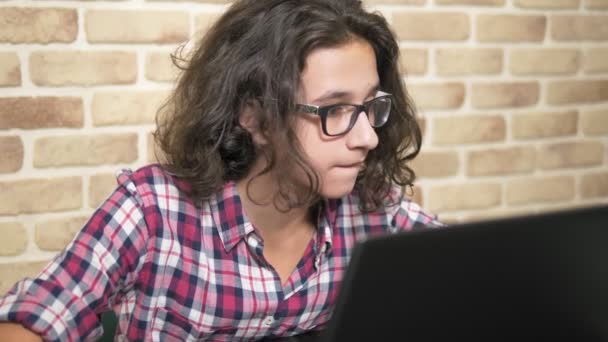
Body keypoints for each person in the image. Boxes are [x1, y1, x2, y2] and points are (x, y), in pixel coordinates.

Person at [0, 0, 442, 340]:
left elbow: (476, 278)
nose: (367, 136)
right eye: (335, 109)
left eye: (370, 107)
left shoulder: (376, 211)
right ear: (254, 116)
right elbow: (37, 319)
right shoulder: (153, 210)